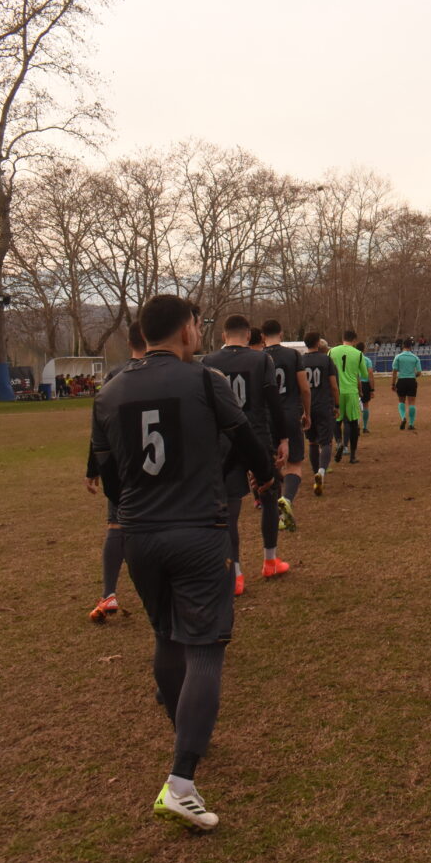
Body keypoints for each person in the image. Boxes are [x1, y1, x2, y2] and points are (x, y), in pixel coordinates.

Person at [90, 293, 275, 832]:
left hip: (139, 536)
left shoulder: (108, 391)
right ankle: (181, 781)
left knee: (167, 638)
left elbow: (110, 477)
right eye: (198, 324)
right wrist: (263, 479)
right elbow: (249, 443)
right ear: (188, 330)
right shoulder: (204, 381)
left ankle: (185, 730)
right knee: (205, 649)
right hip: (197, 530)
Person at [203, 315, 290, 594]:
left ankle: (236, 573)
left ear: (223, 334)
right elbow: (274, 402)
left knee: (229, 507)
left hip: (222, 441)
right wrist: (283, 438)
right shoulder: (261, 360)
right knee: (269, 495)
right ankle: (270, 560)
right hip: (257, 436)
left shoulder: (207, 362)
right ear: (249, 334)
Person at [84, 320, 147, 622]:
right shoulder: (168, 373)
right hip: (160, 465)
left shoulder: (114, 376)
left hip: (121, 465)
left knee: (117, 526)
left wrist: (93, 465)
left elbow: (100, 427)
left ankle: (108, 593)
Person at [261, 319, 310, 532]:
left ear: (262, 336)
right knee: (295, 463)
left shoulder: (259, 357)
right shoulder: (293, 355)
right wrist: (307, 412)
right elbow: (304, 388)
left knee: (270, 465)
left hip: (267, 417)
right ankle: (287, 500)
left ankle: (272, 508)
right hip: (289, 414)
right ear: (281, 333)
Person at [301, 333, 339, 495]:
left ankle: (316, 472)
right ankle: (322, 472)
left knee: (312, 442)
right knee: (326, 442)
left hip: (307, 407)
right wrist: (337, 404)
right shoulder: (326, 360)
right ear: (318, 343)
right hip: (323, 405)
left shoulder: (300, 360)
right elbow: (333, 386)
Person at [329, 330, 365, 463]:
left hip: (336, 391)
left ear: (342, 338)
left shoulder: (331, 351)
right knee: (353, 422)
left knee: (336, 420)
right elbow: (364, 374)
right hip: (351, 391)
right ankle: (353, 456)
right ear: (354, 340)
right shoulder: (358, 353)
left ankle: (338, 442)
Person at [391, 338, 421, 430]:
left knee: (401, 401)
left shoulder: (398, 357)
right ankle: (411, 424)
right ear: (411, 346)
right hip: (411, 380)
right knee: (412, 402)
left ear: (403, 346)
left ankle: (403, 417)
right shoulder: (415, 357)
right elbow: (419, 372)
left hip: (401, 380)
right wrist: (413, 376)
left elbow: (394, 371)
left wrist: (393, 384)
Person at [356, 341, 374, 434]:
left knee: (355, 406)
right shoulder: (367, 360)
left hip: (354, 383)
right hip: (365, 384)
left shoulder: (353, 359)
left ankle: (356, 426)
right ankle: (365, 427)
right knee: (366, 405)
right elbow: (370, 373)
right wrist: (372, 389)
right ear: (363, 349)